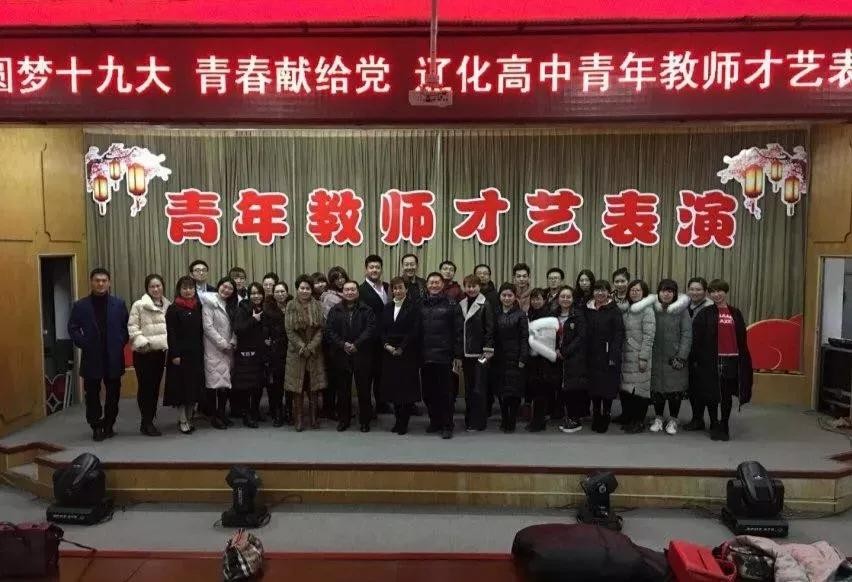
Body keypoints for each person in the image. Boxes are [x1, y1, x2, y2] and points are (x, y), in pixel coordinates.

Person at [68, 268, 130, 442]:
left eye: (104, 281)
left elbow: (126, 328)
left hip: (113, 356)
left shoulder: (119, 304)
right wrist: (84, 343)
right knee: (92, 395)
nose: (100, 284)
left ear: (109, 283)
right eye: (97, 280)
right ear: (91, 282)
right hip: (91, 356)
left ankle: (109, 424)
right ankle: (95, 425)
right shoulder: (80, 305)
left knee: (113, 394)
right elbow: (72, 328)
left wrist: (119, 342)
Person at [691, 279, 753, 441]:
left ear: (725, 292)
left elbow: (742, 338)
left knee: (726, 395)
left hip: (731, 360)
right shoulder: (705, 313)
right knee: (711, 394)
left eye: (719, 291)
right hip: (711, 360)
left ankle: (724, 424)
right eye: (712, 292)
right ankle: (714, 423)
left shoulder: (735, 313)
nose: (716, 294)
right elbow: (696, 339)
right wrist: (697, 359)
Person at [325, 281, 377, 432]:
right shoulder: (335, 310)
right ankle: (344, 420)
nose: (349, 292)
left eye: (353, 289)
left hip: (362, 354)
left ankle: (365, 421)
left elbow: (370, 329)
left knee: (364, 390)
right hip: (341, 354)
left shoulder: (367, 310)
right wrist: (343, 345)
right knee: (343, 390)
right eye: (346, 290)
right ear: (342, 292)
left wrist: (356, 344)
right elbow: (329, 331)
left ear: (357, 292)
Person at [420, 272, 463, 439]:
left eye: (437, 282)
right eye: (431, 282)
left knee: (445, 393)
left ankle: (447, 425)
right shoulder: (420, 304)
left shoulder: (452, 304)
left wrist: (457, 355)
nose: (434, 285)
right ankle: (435, 421)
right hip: (425, 356)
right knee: (428, 393)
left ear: (443, 285)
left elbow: (458, 331)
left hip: (445, 356)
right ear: (427, 285)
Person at [128, 274, 171, 437]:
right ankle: (146, 421)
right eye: (152, 286)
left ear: (163, 287)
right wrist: (143, 344)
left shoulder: (168, 305)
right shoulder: (139, 305)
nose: (155, 289)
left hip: (159, 353)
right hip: (143, 353)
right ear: (147, 288)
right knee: (145, 388)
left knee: (154, 388)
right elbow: (132, 327)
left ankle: (149, 419)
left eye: (158, 286)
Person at [650, 279, 693, 436]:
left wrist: (681, 356)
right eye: (663, 291)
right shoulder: (653, 309)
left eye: (670, 291)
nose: (666, 294)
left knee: (675, 390)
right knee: (657, 390)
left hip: (674, 357)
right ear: (658, 292)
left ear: (674, 294)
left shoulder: (682, 311)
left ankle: (674, 419)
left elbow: (687, 334)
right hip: (655, 356)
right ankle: (658, 418)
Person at [380, 277, 422, 436]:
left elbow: (414, 331)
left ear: (406, 289)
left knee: (406, 390)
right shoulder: (387, 307)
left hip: (407, 353)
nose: (397, 291)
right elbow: (381, 330)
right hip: (389, 353)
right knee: (394, 389)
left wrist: (401, 348)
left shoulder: (414, 307)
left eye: (400, 288)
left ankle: (403, 422)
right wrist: (386, 345)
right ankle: (397, 420)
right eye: (395, 288)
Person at [285, 275, 327, 431]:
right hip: (297, 353)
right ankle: (299, 419)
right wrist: (302, 347)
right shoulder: (290, 305)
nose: (304, 291)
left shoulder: (318, 305)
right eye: (302, 288)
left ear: (311, 290)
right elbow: (289, 330)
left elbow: (321, 329)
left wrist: (311, 347)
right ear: (297, 289)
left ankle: (314, 419)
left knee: (313, 386)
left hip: (314, 352)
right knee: (298, 387)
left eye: (307, 288)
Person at [164, 276, 204, 435]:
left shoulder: (198, 306)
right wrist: (175, 354)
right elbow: (171, 333)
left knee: (193, 388)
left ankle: (189, 417)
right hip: (179, 355)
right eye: (184, 288)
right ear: (179, 290)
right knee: (181, 389)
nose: (188, 291)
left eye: (191, 288)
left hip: (196, 354)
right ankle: (182, 420)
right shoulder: (173, 308)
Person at [584, 279, 624, 434]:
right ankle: (596, 414)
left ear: (608, 292)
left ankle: (606, 414)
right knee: (593, 387)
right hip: (591, 355)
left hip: (608, 355)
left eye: (603, 290)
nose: (600, 293)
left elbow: (618, 334)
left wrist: (614, 354)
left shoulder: (614, 310)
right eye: (597, 290)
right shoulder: (588, 308)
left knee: (607, 387)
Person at [618, 280, 656, 434]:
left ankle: (638, 421)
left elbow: (649, 336)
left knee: (640, 390)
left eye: (638, 290)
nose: (634, 292)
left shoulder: (647, 310)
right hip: (626, 355)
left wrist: (644, 357)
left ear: (644, 292)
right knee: (627, 389)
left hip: (639, 355)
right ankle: (628, 417)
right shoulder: (627, 308)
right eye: (632, 290)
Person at [458, 274, 495, 432]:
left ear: (479, 287)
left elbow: (490, 329)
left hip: (481, 354)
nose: (471, 289)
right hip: (466, 354)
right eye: (468, 286)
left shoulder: (485, 304)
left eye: (474, 286)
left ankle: (478, 422)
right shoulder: (461, 303)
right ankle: (469, 419)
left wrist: (487, 350)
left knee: (479, 389)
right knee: (469, 389)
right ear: (464, 287)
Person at [200, 277, 236, 430]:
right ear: (218, 286)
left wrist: (233, 341)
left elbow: (236, 326)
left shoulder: (232, 304)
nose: (226, 290)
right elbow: (208, 328)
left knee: (225, 384)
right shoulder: (209, 303)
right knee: (213, 385)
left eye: (230, 288)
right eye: (224, 286)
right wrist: (223, 344)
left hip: (229, 349)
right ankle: (214, 416)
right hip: (213, 349)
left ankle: (222, 414)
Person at [493, 283, 529, 433]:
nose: (507, 298)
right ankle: (504, 418)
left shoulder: (520, 314)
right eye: (504, 295)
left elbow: (524, 337)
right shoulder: (495, 313)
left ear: (515, 297)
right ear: (500, 296)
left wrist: (523, 357)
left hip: (515, 358)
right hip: (499, 358)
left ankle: (512, 420)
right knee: (501, 391)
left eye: (510, 295)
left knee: (514, 392)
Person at [359, 254, 391, 415]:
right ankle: (366, 409)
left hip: (384, 339)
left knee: (382, 373)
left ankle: (381, 403)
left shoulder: (387, 287)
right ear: (366, 269)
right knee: (367, 376)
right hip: (368, 340)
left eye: (377, 267)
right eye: (371, 267)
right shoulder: (360, 290)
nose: (374, 270)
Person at [232, 283, 267, 428]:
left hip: (260, 354)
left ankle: (255, 411)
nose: (256, 296)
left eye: (259, 293)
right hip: (245, 354)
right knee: (246, 387)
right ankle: (246, 415)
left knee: (258, 385)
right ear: (248, 295)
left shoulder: (265, 308)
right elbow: (238, 329)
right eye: (253, 293)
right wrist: (253, 319)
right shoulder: (243, 308)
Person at [526, 287, 561, 431]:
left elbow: (550, 338)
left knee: (541, 390)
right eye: (533, 299)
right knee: (535, 390)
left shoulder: (549, 316)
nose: (535, 302)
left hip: (544, 357)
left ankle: (539, 422)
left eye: (538, 299)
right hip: (532, 357)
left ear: (544, 300)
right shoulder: (529, 313)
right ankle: (537, 419)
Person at [555, 286, 587, 434]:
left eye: (568, 297)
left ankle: (575, 419)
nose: (565, 299)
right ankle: (567, 417)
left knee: (574, 389)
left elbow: (581, 337)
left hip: (574, 357)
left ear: (573, 299)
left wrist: (565, 351)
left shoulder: (578, 315)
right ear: (558, 299)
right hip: (557, 357)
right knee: (562, 389)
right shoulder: (553, 315)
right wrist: (556, 349)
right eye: (562, 296)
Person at [684, 276, 713, 431]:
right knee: (693, 388)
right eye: (692, 289)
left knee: (705, 388)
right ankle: (697, 418)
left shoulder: (710, 307)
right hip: (689, 352)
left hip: (705, 354)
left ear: (705, 291)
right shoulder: (685, 304)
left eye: (698, 289)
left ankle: (710, 420)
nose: (694, 292)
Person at [320, 266, 349, 419]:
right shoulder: (328, 297)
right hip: (332, 343)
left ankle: (342, 408)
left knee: (342, 378)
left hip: (346, 341)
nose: (340, 280)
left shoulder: (348, 293)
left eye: (342, 277)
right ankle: (329, 408)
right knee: (332, 377)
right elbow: (326, 323)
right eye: (336, 278)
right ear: (331, 281)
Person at [266, 283, 289, 426]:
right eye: (277, 292)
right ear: (273, 294)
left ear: (287, 292)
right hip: (276, 351)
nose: (280, 294)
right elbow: (265, 330)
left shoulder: (292, 306)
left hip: (292, 350)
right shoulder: (268, 309)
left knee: (291, 383)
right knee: (278, 384)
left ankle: (290, 411)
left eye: (283, 291)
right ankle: (278, 412)